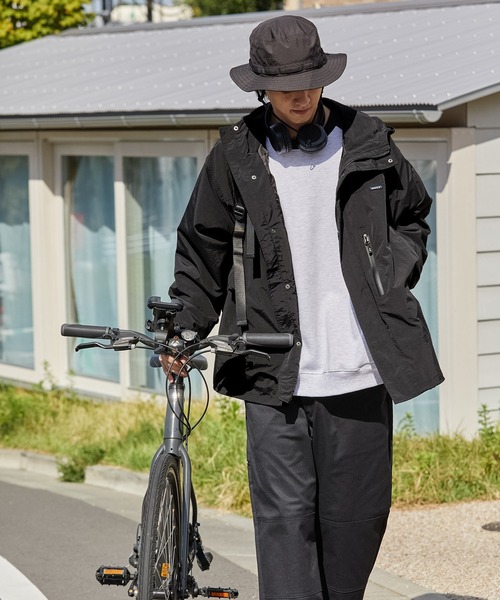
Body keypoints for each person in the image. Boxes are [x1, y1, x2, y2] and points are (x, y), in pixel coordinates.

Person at [161, 14, 444, 600]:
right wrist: (185, 326)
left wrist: (387, 276)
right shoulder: (235, 153)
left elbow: (412, 217)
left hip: (360, 369)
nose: (300, 95)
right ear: (261, 87)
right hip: (273, 371)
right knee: (284, 526)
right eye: (286, 86)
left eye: (310, 82)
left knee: (356, 523)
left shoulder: (368, 140)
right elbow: (203, 248)